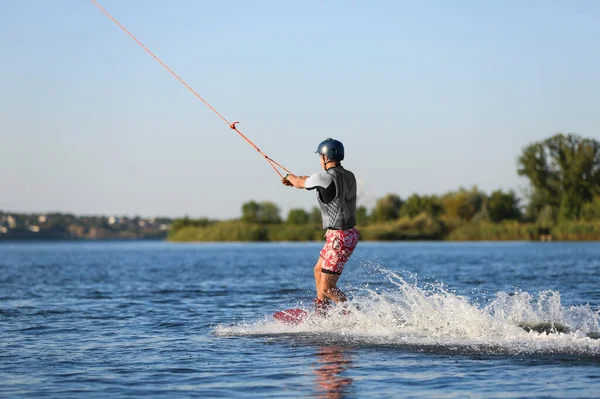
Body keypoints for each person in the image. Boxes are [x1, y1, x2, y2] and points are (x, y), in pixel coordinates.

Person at [282, 138, 359, 315]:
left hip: (339, 238)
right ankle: (321, 311)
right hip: (346, 234)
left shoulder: (324, 177)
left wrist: (288, 178)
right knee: (318, 270)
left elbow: (302, 182)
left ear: (325, 157)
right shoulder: (349, 175)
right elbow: (309, 180)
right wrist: (296, 179)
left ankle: (354, 316)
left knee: (328, 288)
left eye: (320, 156)